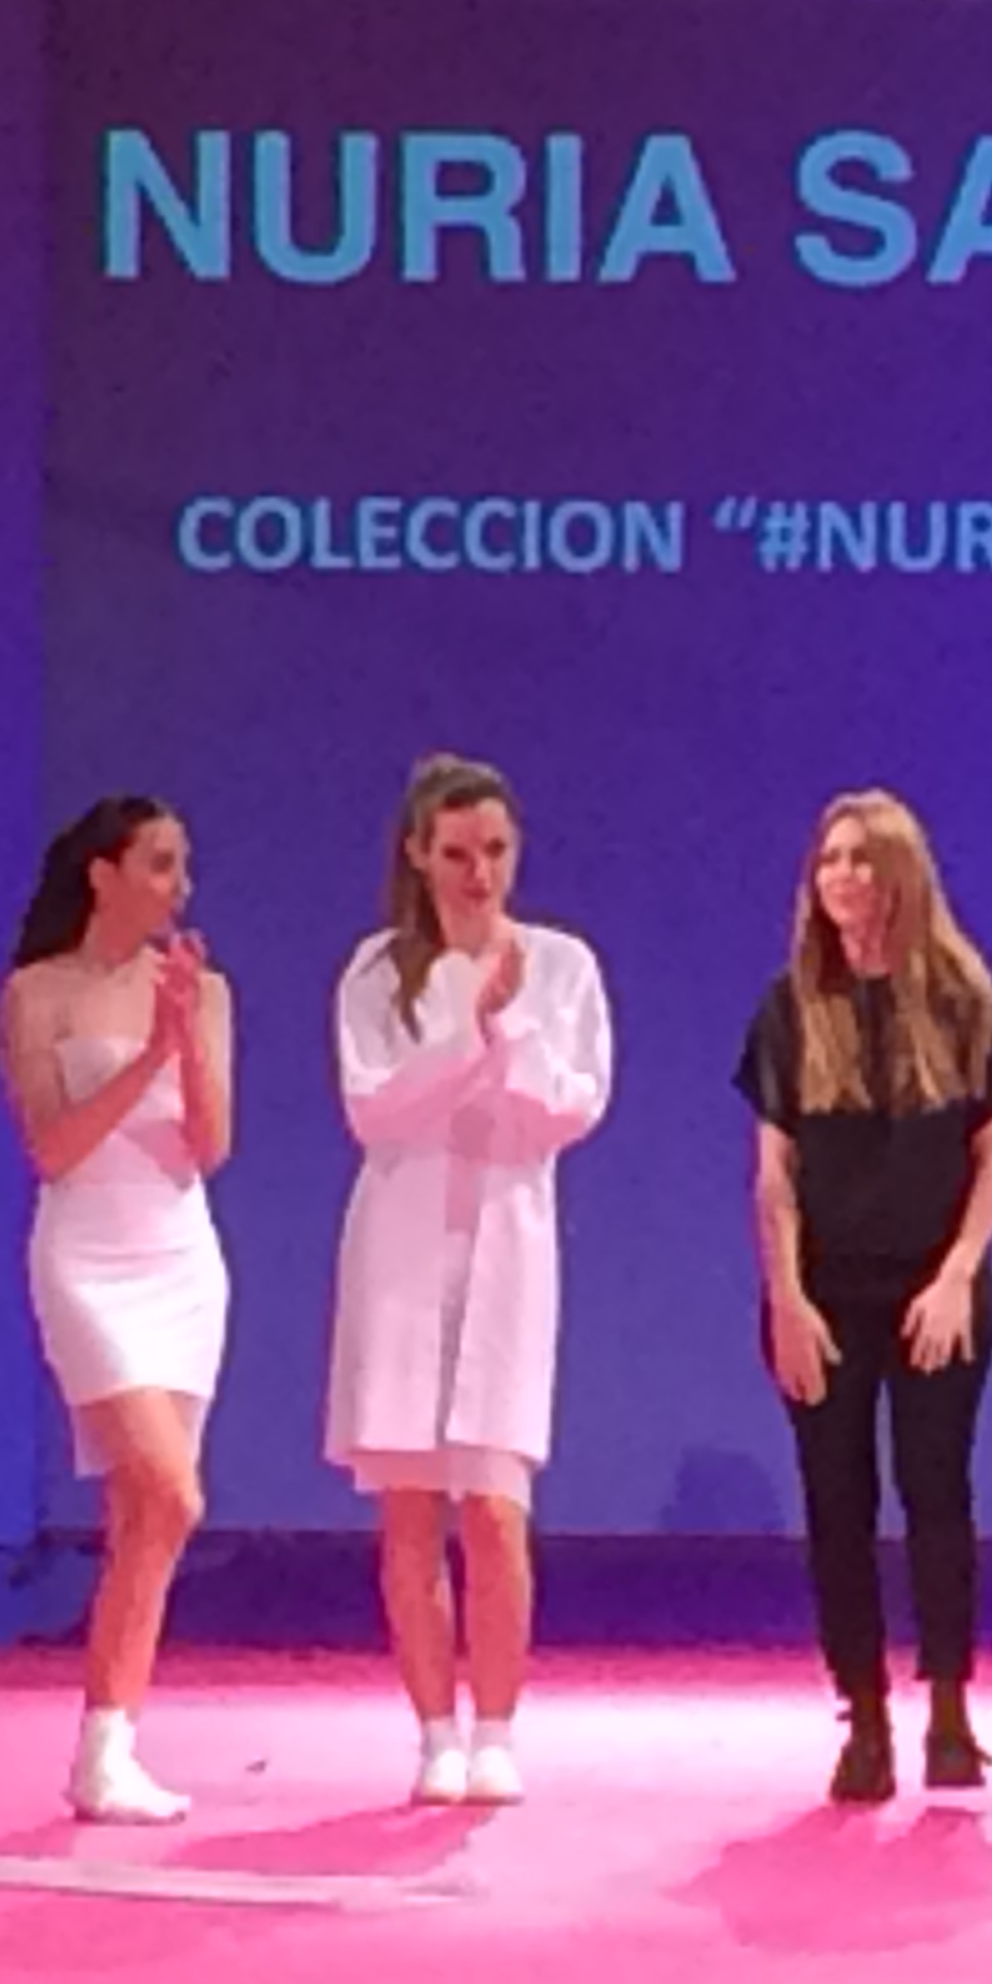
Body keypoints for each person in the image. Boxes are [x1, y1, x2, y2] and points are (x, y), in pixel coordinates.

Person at [737, 790, 992, 1805]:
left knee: (936, 1488)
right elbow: (774, 1177)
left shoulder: (962, 1000)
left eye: (861, 858)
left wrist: (957, 1274)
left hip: (932, 1286)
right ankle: (861, 1715)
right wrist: (786, 1298)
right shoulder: (790, 1009)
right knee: (837, 1501)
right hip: (825, 1292)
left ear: (902, 875)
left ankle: (949, 1709)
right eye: (829, 860)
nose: (842, 877)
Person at [326, 756, 613, 1807]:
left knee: (494, 1505)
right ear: (418, 855)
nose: (477, 873)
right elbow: (375, 1110)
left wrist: (506, 1032)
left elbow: (571, 1107)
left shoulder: (562, 967)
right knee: (409, 1508)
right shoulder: (376, 973)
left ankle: (495, 1728)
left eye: (493, 851)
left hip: (508, 1250)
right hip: (401, 1256)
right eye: (455, 853)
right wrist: (464, 1037)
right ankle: (434, 1733)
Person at [0, 796, 233, 1825]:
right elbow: (53, 1148)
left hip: (181, 1257)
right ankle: (104, 1749)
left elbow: (209, 1144)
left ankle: (106, 1749)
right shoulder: (36, 993)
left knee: (145, 1517)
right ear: (103, 873)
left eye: (183, 866)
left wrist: (185, 1037)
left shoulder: (201, 989)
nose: (179, 886)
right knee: (172, 1493)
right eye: (160, 864)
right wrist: (146, 1055)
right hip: (87, 1259)